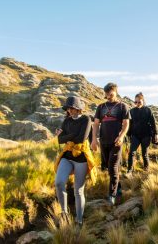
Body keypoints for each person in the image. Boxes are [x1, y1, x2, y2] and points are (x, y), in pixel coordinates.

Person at [54, 96, 96, 226]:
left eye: (72, 108)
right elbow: (60, 140)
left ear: (78, 109)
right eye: (68, 108)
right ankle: (64, 212)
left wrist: (66, 137)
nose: (69, 110)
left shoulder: (86, 119)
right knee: (59, 183)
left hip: (82, 158)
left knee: (78, 190)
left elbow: (81, 138)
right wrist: (68, 137)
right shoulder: (66, 121)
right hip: (67, 156)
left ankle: (79, 220)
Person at [92, 83, 130, 206]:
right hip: (103, 141)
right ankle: (118, 188)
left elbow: (126, 124)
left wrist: (121, 136)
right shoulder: (101, 107)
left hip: (116, 142)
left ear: (116, 92)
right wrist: (94, 139)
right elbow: (96, 124)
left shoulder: (122, 106)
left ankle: (111, 195)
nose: (109, 96)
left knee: (113, 167)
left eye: (111, 94)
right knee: (108, 167)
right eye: (107, 94)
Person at [127, 92, 157, 173]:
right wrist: (128, 135)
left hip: (146, 135)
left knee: (144, 154)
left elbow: (153, 123)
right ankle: (129, 170)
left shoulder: (148, 110)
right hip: (135, 135)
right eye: (135, 102)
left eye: (139, 102)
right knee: (131, 153)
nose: (137, 103)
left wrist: (156, 134)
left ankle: (146, 169)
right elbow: (130, 124)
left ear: (143, 101)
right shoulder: (132, 111)